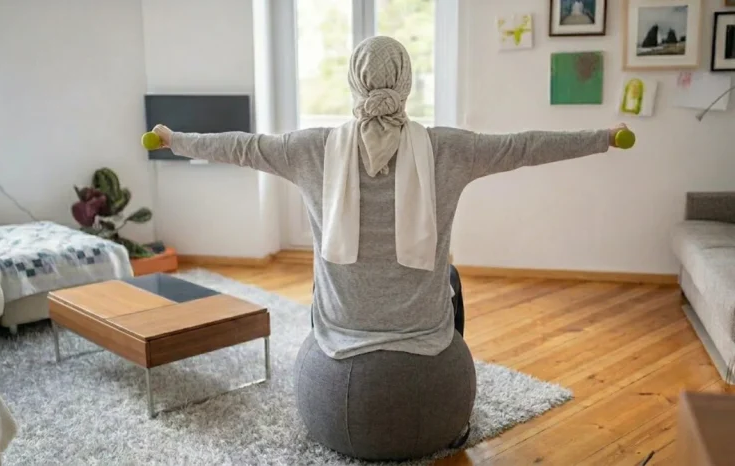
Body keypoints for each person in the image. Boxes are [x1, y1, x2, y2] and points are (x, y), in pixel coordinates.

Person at [151, 36, 627, 461]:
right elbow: (525, 147)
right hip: (424, 331)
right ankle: (441, 396)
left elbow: (241, 147)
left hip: (340, 330)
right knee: (451, 277)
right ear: (407, 84)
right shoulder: (448, 148)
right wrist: (604, 139)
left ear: (354, 84)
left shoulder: (311, 148)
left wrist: (174, 140)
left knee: (325, 275)